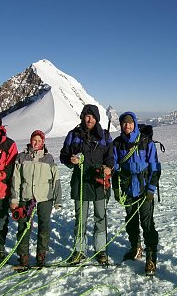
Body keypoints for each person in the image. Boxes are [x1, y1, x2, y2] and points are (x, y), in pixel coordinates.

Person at [60, 104, 114, 265]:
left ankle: (100, 249)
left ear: (96, 118)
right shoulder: (73, 134)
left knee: (100, 217)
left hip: (98, 182)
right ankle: (79, 251)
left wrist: (109, 168)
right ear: (82, 117)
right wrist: (70, 160)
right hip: (80, 182)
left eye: (92, 116)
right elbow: (64, 155)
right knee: (80, 219)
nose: (89, 119)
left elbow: (110, 157)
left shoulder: (104, 136)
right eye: (86, 116)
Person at [112, 112, 161, 276]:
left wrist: (151, 189)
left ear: (135, 124)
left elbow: (154, 166)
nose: (127, 126)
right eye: (124, 123)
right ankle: (135, 248)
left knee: (147, 224)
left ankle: (151, 257)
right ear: (121, 125)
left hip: (144, 188)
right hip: (128, 189)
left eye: (130, 123)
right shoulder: (117, 144)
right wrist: (117, 189)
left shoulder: (146, 141)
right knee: (131, 221)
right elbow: (114, 168)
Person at [10, 130, 62, 267]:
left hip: (45, 197)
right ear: (30, 140)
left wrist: (58, 199)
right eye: (34, 140)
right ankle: (23, 257)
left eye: (39, 141)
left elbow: (56, 179)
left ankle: (41, 255)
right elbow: (16, 179)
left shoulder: (49, 158)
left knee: (44, 226)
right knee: (24, 227)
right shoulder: (21, 157)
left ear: (43, 142)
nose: (36, 143)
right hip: (26, 196)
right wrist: (14, 199)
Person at [0, 113, 18, 264]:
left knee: (1, 222)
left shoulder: (9, 144)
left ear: (0, 125)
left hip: (1, 190)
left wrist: (1, 174)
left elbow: (13, 168)